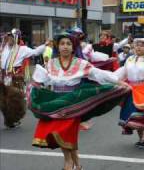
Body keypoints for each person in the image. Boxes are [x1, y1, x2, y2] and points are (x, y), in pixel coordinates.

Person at [28, 32, 130, 170]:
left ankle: (68, 163)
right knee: (66, 136)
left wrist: (118, 81)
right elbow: (41, 80)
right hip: (56, 102)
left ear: (73, 47)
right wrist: (33, 89)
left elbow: (98, 74)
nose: (65, 47)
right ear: (57, 46)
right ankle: (77, 165)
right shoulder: (51, 63)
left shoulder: (81, 63)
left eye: (68, 44)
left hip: (74, 102)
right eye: (62, 44)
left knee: (64, 133)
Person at [0, 29, 48, 128]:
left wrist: (45, 45)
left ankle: (14, 119)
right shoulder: (3, 48)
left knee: (14, 100)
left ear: (16, 38)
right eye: (8, 37)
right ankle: (9, 119)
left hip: (15, 78)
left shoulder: (22, 49)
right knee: (4, 101)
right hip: (4, 78)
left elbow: (35, 52)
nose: (9, 39)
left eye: (11, 37)